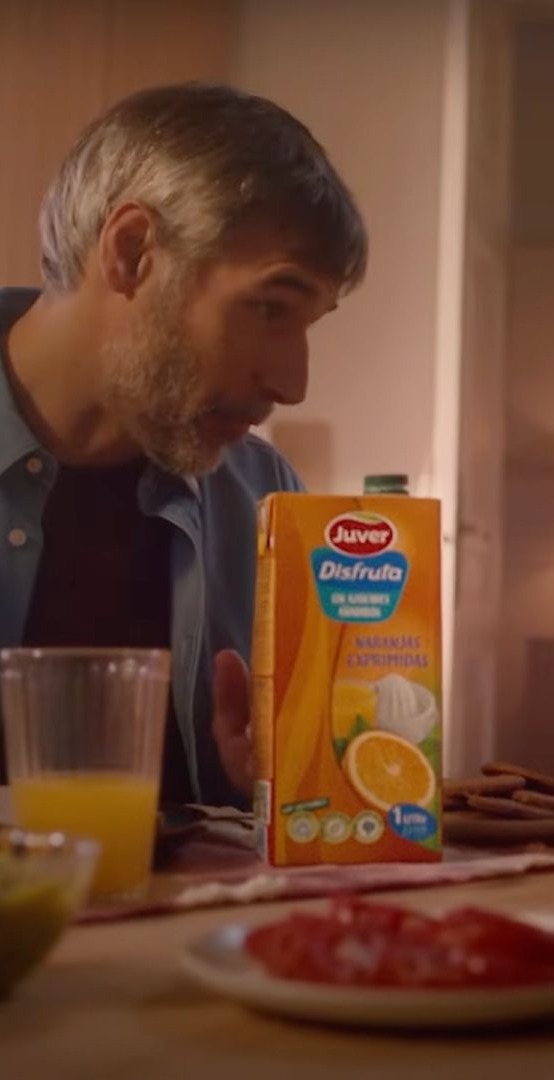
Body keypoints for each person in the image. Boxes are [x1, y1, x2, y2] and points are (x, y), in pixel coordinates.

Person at [0, 82, 366, 807]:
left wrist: (274, 790)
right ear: (133, 251)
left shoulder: (268, 499)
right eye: (268, 307)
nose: (292, 383)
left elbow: (303, 809)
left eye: (308, 325)